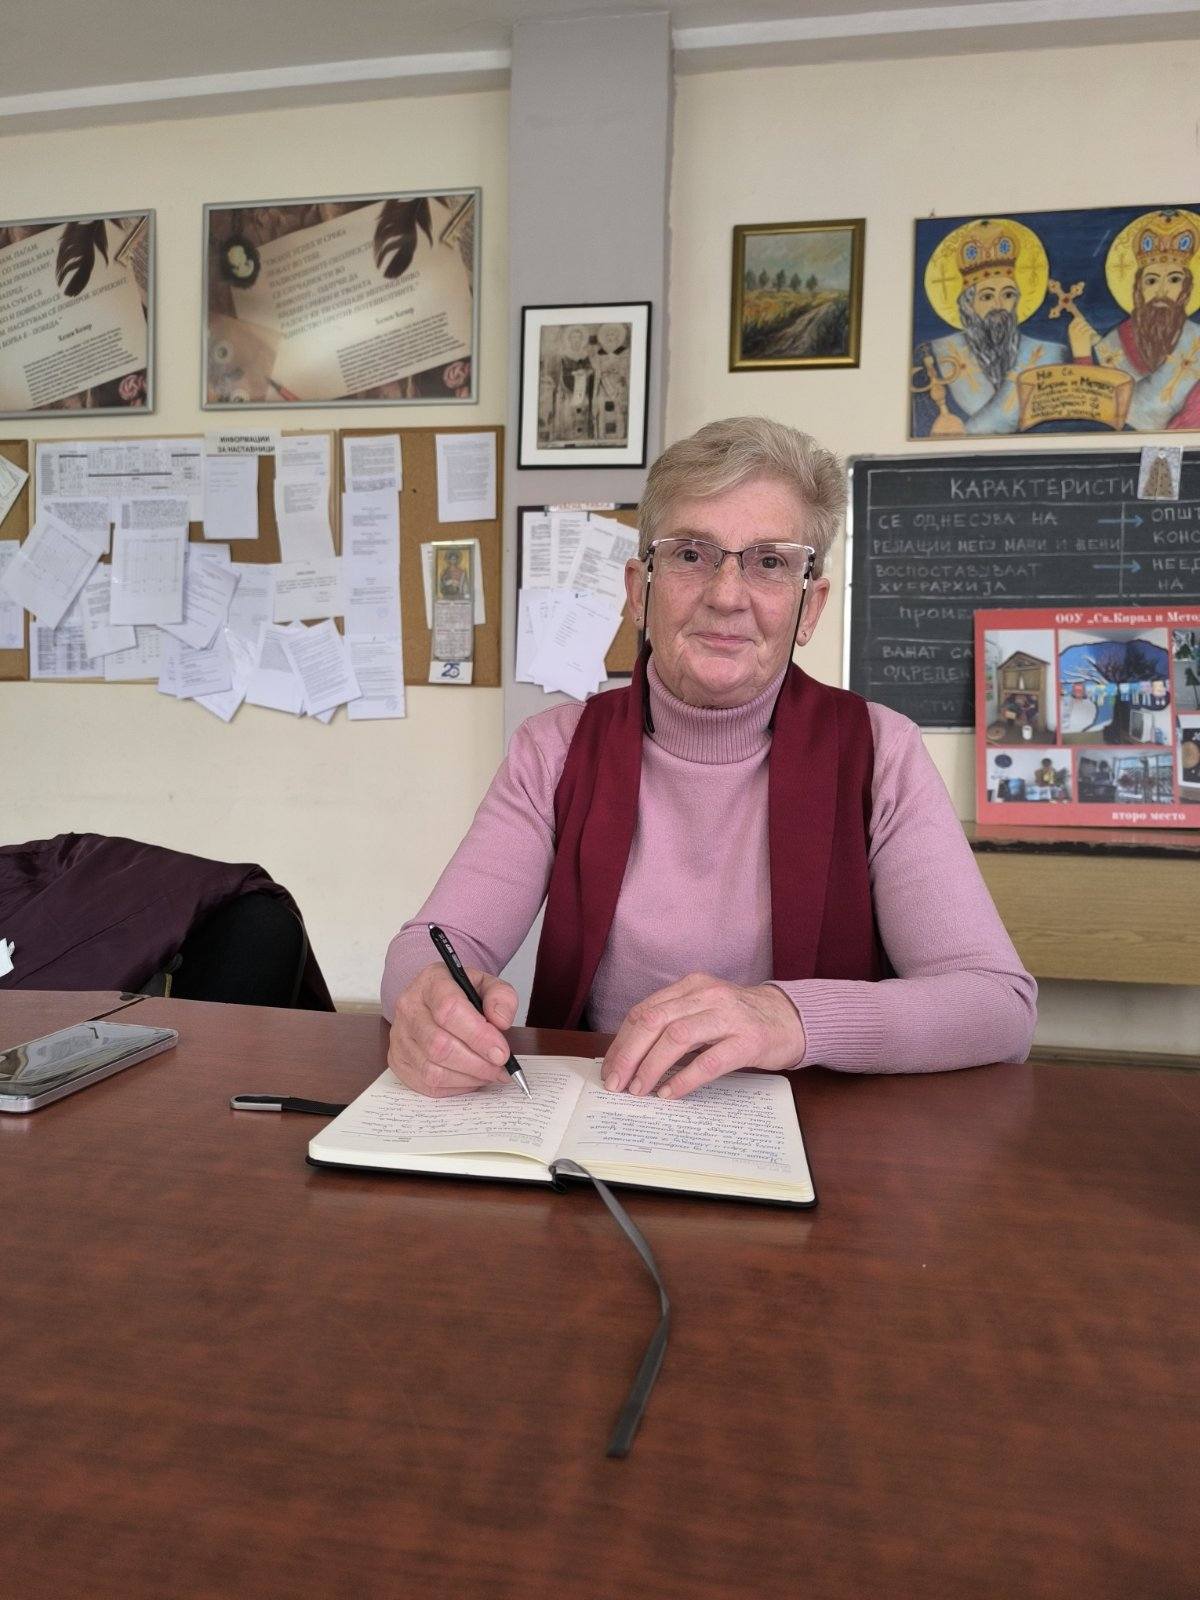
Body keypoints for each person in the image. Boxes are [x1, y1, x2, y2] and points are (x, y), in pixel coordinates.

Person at [383, 416, 1036, 1099]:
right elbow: (431, 943)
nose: (726, 596)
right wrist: (426, 997)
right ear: (640, 591)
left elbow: (998, 1006)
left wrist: (788, 1016)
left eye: (770, 562)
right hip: (603, 1115)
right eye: (692, 555)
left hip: (814, 1135)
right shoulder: (553, 748)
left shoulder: (882, 752)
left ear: (810, 608)